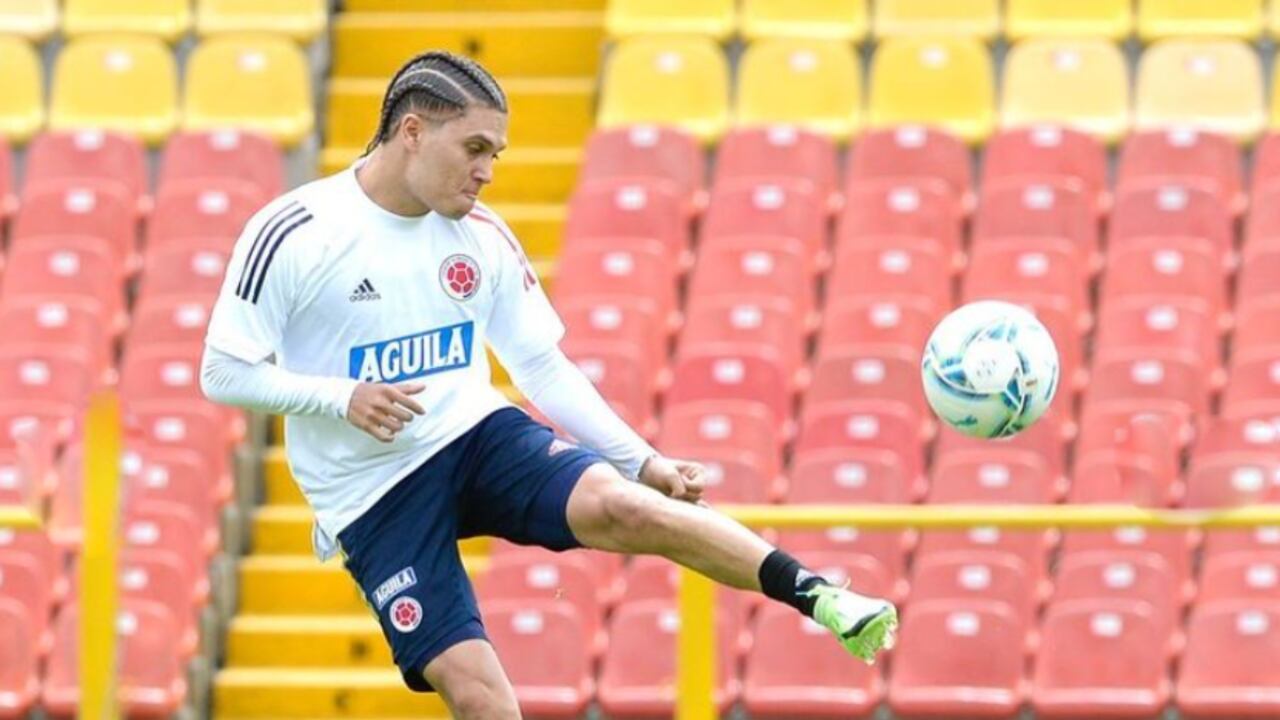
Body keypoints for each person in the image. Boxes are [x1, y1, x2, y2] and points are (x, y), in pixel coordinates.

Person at [200, 50, 897, 719]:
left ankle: (819, 596)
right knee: (482, 701)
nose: (487, 173)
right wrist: (338, 397)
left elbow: (540, 368)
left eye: (495, 154)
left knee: (628, 507)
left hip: (471, 433)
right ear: (412, 132)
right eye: (475, 149)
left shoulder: (481, 235)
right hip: (370, 492)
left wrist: (642, 460)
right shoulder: (297, 231)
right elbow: (222, 371)